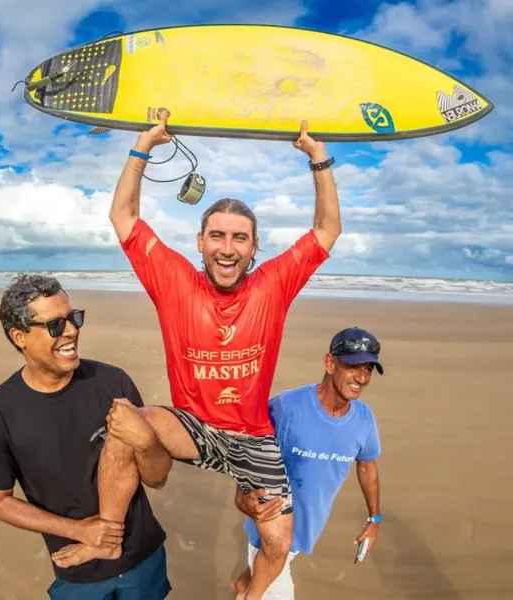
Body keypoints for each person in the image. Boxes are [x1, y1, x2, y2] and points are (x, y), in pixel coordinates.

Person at [101, 109, 343, 600]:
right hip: (191, 426)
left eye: (239, 238)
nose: (227, 248)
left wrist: (318, 158)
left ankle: (248, 595)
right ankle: (105, 534)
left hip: (252, 435)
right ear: (201, 242)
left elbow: (326, 231)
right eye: (217, 235)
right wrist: (143, 145)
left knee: (278, 540)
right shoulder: (175, 281)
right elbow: (123, 218)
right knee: (125, 423)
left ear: (254, 248)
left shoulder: (272, 285)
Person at [0, 274, 171, 600]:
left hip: (143, 558)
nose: (71, 331)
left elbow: (158, 477)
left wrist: (147, 443)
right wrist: (78, 531)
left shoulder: (113, 382)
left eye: (74, 318)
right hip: (78, 574)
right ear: (19, 337)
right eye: (55, 325)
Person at [230, 326, 384, 599]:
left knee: (254, 582)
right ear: (329, 363)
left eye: (368, 369)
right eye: (352, 366)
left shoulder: (364, 419)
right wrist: (241, 497)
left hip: (307, 528)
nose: (361, 377)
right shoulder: (285, 408)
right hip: (271, 528)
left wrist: (374, 518)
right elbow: (249, 450)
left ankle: (243, 587)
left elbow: (366, 465)